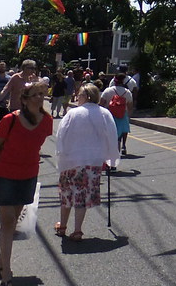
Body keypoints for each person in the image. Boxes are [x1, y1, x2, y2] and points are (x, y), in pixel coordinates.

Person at [0, 81, 53, 286]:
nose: (39, 98)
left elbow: (36, 146)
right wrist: (8, 165)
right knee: (7, 221)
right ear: (24, 100)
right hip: (6, 174)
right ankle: (7, 272)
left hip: (28, 174)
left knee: (15, 220)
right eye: (35, 95)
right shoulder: (10, 119)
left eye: (42, 94)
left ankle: (0, 261)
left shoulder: (47, 120)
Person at [54, 83, 121, 241]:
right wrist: (112, 158)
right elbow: (111, 136)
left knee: (67, 193)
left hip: (70, 159)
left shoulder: (73, 113)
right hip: (93, 161)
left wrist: (60, 153)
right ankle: (77, 230)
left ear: (87, 96)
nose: (77, 98)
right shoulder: (104, 113)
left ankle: (62, 226)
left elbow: (61, 134)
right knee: (81, 195)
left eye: (80, 95)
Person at [100, 73, 134, 155]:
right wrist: (128, 115)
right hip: (122, 114)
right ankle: (123, 146)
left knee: (109, 134)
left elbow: (101, 104)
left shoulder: (108, 91)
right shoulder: (127, 92)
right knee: (124, 130)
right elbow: (130, 106)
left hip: (110, 115)